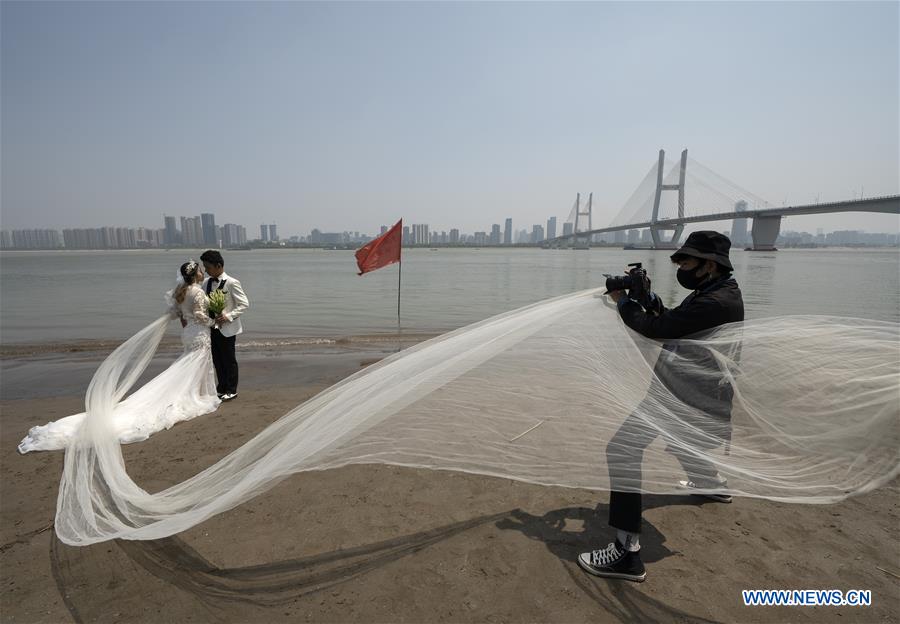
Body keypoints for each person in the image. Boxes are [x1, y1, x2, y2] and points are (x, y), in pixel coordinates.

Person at [577, 231, 744, 582]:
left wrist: (624, 301)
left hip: (683, 394)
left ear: (709, 264)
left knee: (621, 450)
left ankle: (626, 554)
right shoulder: (716, 292)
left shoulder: (714, 302)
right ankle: (710, 485)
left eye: (686, 261)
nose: (681, 267)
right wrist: (649, 297)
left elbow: (656, 329)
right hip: (697, 391)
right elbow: (676, 324)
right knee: (682, 439)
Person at [18, 261, 220, 453]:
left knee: (189, 364)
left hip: (187, 334)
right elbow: (200, 315)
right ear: (196, 274)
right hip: (199, 332)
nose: (203, 272)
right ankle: (197, 395)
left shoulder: (181, 292)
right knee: (197, 363)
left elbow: (177, 314)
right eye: (200, 270)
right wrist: (215, 322)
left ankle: (196, 392)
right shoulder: (198, 292)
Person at [200, 250, 250, 402]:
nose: (206, 270)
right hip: (211, 328)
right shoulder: (206, 283)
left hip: (227, 329)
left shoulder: (232, 282)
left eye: (208, 267)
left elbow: (244, 304)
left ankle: (231, 389)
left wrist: (228, 316)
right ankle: (221, 388)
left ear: (218, 265)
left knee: (229, 360)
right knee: (217, 359)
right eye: (204, 267)